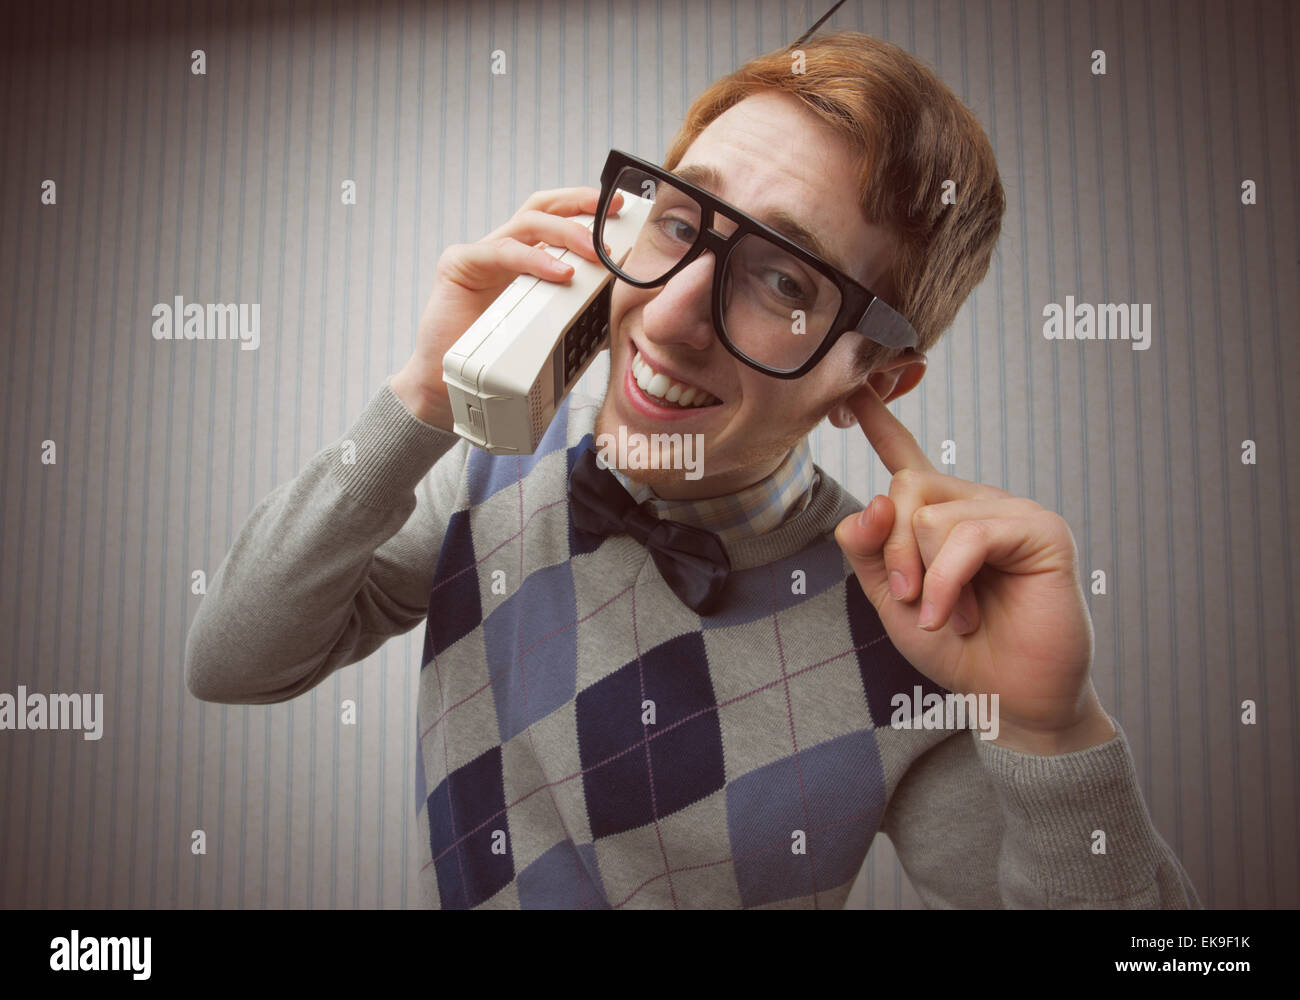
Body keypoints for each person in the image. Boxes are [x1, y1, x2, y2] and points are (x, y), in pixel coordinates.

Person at [186, 31, 1200, 909]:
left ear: (877, 378)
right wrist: (418, 398)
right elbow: (234, 663)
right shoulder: (498, 462)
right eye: (678, 222)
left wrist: (1051, 729)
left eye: (783, 278)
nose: (668, 312)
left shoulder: (911, 634)